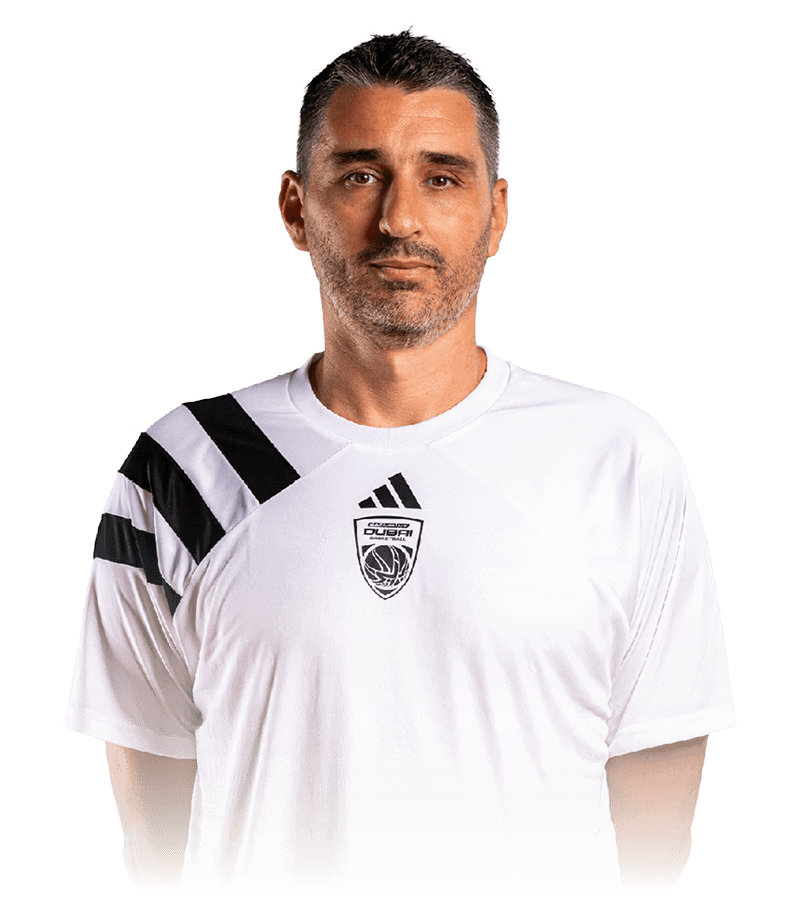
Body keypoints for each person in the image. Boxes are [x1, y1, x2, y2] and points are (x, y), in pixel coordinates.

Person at [64, 27, 736, 889]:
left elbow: (651, 843)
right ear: (294, 208)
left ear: (497, 213)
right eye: (359, 175)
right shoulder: (186, 468)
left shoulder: (616, 456)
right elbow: (159, 846)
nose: (400, 220)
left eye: (441, 178)